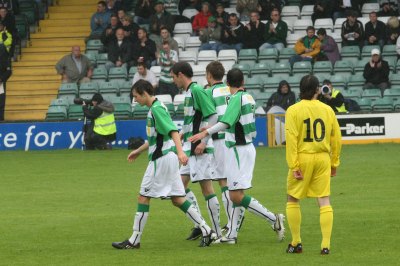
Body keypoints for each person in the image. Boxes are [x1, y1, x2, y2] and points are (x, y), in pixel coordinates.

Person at [111, 79, 216, 249]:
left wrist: (181, 151)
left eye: (136, 96)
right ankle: (206, 229)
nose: (135, 100)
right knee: (177, 199)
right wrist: (138, 150)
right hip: (166, 158)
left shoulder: (157, 109)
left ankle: (134, 240)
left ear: (144, 93)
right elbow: (158, 138)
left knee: (143, 197)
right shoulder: (157, 107)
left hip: (160, 160)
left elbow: (173, 131)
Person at [188, 68, 285, 244]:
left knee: (236, 196)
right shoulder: (248, 96)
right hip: (242, 148)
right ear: (243, 82)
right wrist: (209, 130)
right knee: (235, 194)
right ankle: (232, 235)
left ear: (228, 83)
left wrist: (205, 133)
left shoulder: (236, 99)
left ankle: (273, 219)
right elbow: (229, 120)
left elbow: (226, 122)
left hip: (239, 149)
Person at [284, 74, 342, 255]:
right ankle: (326, 245)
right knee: (324, 199)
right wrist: (334, 162)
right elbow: (336, 138)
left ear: (300, 89)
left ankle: (296, 243)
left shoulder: (293, 110)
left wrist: (294, 166)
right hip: (323, 158)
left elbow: (291, 139)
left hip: (303, 157)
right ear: (318, 89)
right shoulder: (327, 110)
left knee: (292, 198)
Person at [170, 62, 222, 241]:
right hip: (190, 147)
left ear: (181, 75)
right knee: (178, 189)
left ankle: (216, 233)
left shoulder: (197, 90)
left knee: (207, 189)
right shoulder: (189, 92)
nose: (173, 80)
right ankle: (200, 225)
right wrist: (185, 132)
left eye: (173, 76)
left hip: (200, 148)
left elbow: (213, 115)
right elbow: (194, 118)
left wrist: (203, 140)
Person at [204, 61, 245, 239]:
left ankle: (231, 222)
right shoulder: (232, 92)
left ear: (209, 75)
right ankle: (234, 217)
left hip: (219, 140)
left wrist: (203, 136)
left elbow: (211, 118)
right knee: (231, 181)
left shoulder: (209, 92)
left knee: (223, 182)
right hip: (233, 138)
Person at [0, 43, 11, 121]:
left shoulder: (4, 57)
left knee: (0, 104)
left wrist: (1, 79)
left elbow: (9, 71)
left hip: (0, 85)